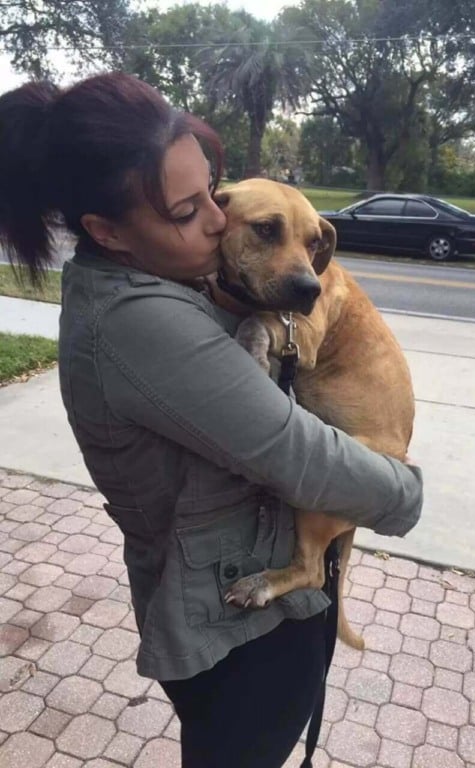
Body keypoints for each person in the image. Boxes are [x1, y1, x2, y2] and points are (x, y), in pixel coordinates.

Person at [0, 72, 423, 768]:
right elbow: (296, 453)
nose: (218, 219)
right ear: (107, 230)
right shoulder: (143, 323)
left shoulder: (151, 281)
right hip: (244, 636)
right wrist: (404, 491)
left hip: (233, 601)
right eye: (186, 210)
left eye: (212, 192)